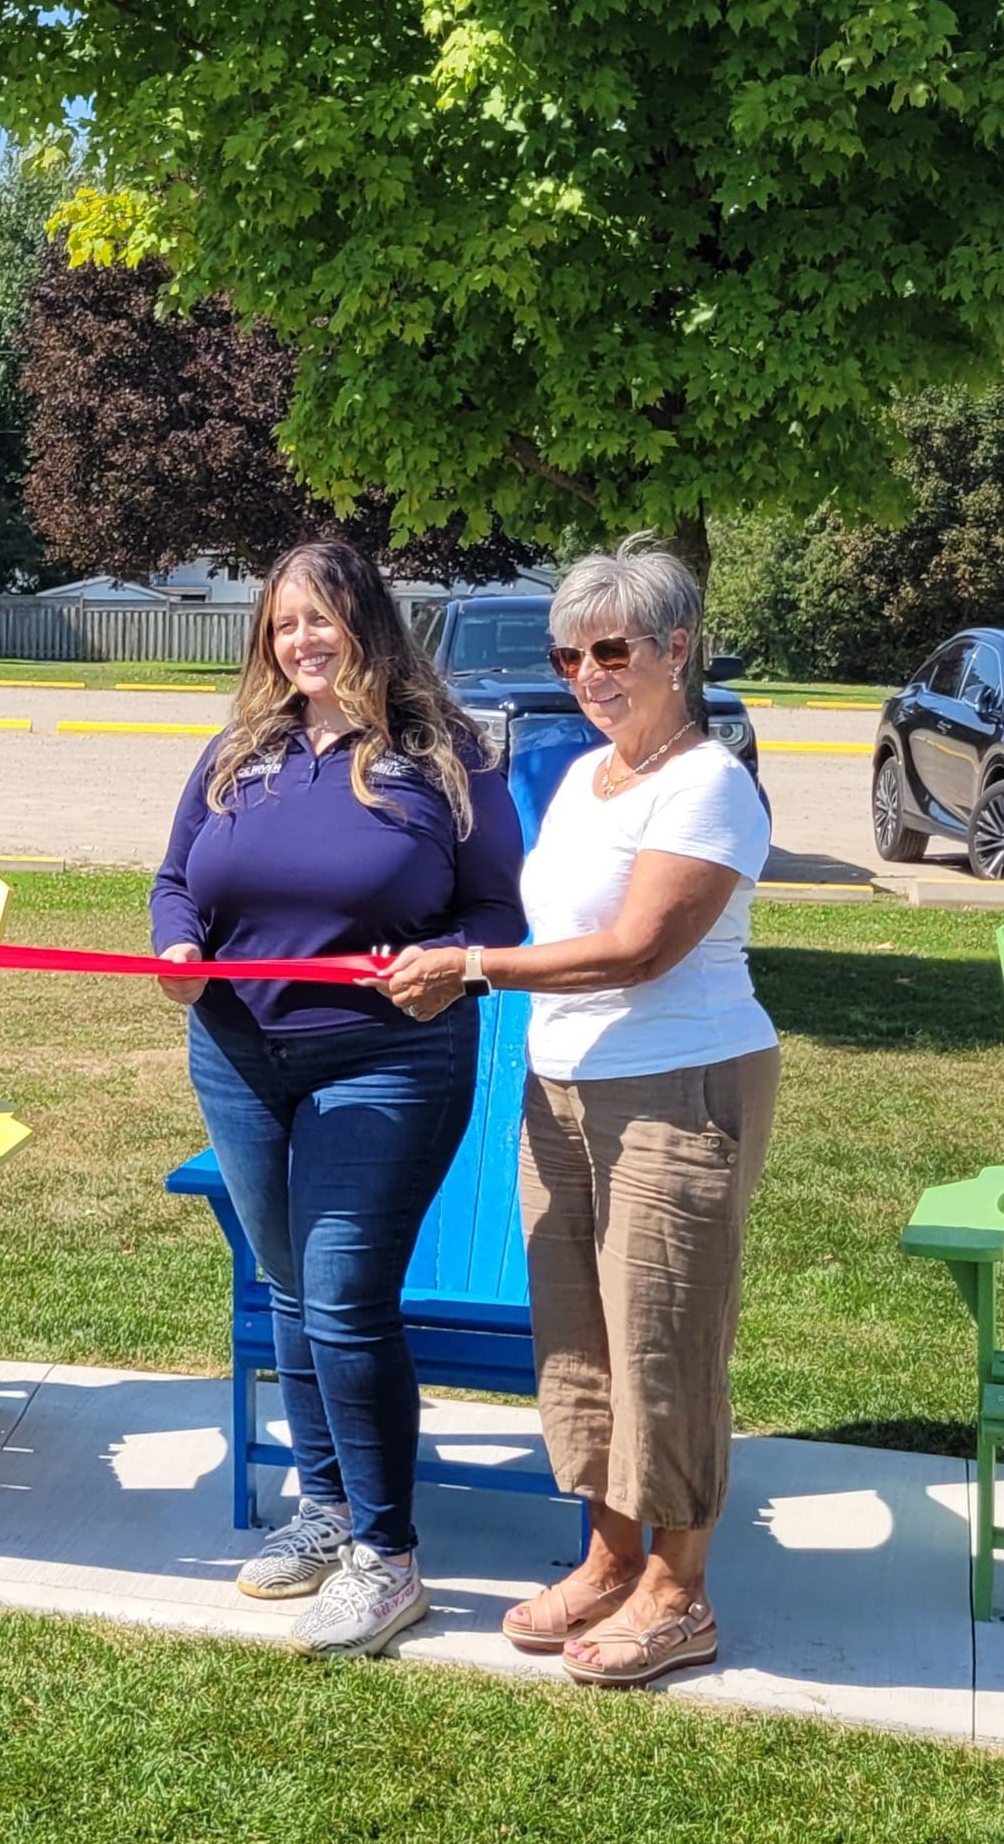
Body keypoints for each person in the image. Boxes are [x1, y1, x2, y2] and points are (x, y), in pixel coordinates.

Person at [377, 534, 777, 1688]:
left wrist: (475, 966)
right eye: (570, 654)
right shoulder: (589, 774)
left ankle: (678, 1589)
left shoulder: (709, 781)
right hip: (563, 1086)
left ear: (676, 648)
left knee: (664, 1339)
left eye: (613, 650)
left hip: (680, 1083)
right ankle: (607, 1557)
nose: (589, 674)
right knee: (581, 1336)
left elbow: (642, 948)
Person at [150, 541, 525, 1657]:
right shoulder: (239, 751)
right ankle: (326, 1510)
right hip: (238, 1054)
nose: (301, 641)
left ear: (368, 623)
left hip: (387, 1057)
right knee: (291, 1289)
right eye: (283, 624)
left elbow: (501, 910)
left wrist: (452, 958)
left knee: (344, 1290)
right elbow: (177, 879)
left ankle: (388, 1555)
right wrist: (175, 943)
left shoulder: (444, 757)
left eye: (322, 620)